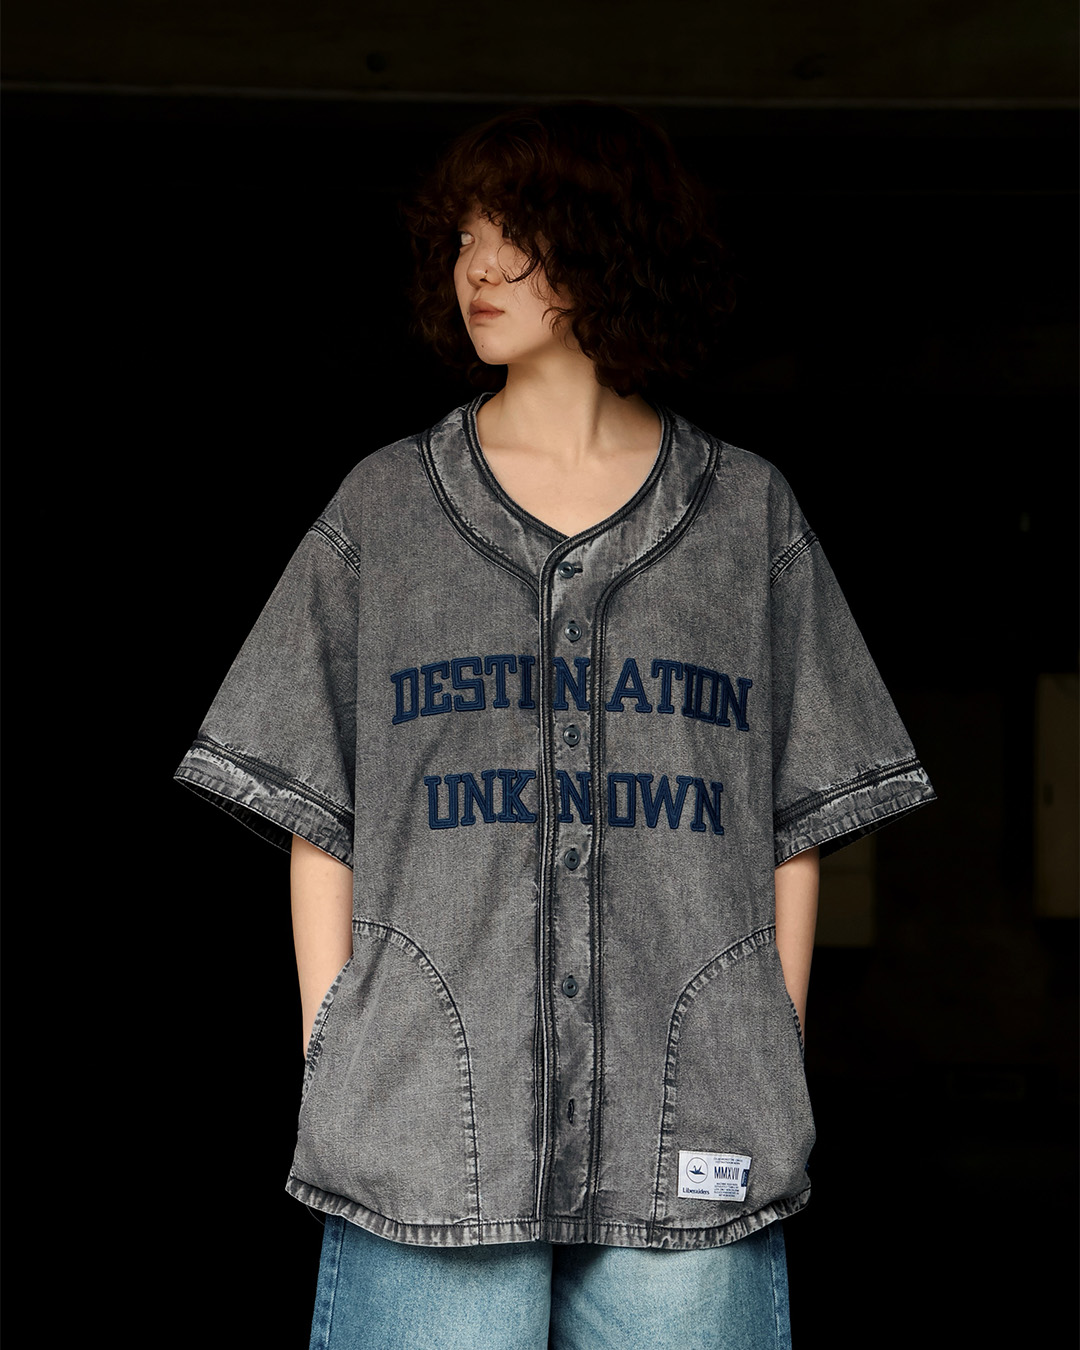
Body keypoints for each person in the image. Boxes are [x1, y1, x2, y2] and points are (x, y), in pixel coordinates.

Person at [175, 101, 936, 1349]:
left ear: (610, 247)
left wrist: (768, 1050)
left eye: (517, 234)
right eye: (462, 235)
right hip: (424, 1131)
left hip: (696, 1131)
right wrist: (337, 1051)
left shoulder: (747, 518)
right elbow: (323, 812)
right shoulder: (384, 511)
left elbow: (793, 823)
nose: (477, 266)